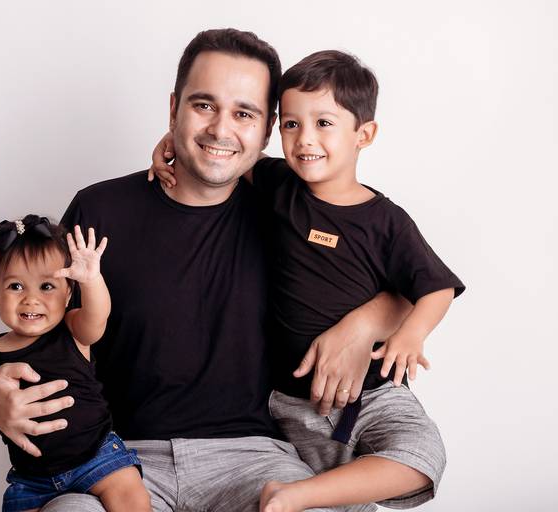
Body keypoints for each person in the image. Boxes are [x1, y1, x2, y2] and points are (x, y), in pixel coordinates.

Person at [0, 30, 411, 512]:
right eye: (204, 106)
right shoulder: (100, 209)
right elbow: (41, 322)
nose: (220, 129)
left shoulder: (292, 212)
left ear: (268, 131)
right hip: (116, 460)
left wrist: (363, 324)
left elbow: (406, 277)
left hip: (255, 459)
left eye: (244, 114)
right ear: (173, 109)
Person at [151, 50, 465, 511]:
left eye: (323, 124)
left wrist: (411, 335)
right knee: (339, 501)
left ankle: (290, 495)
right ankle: (293, 495)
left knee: (421, 457)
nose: (304, 140)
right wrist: (173, 140)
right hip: (292, 405)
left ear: (364, 135)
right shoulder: (280, 185)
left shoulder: (386, 222)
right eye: (291, 124)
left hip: (371, 393)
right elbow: (224, 150)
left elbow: (437, 286)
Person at [0, 215, 150, 512]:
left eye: (46, 286)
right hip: (32, 480)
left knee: (133, 499)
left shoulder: (73, 330)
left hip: (97, 456)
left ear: (68, 293)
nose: (31, 299)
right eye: (16, 286)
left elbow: (98, 316)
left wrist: (91, 279)